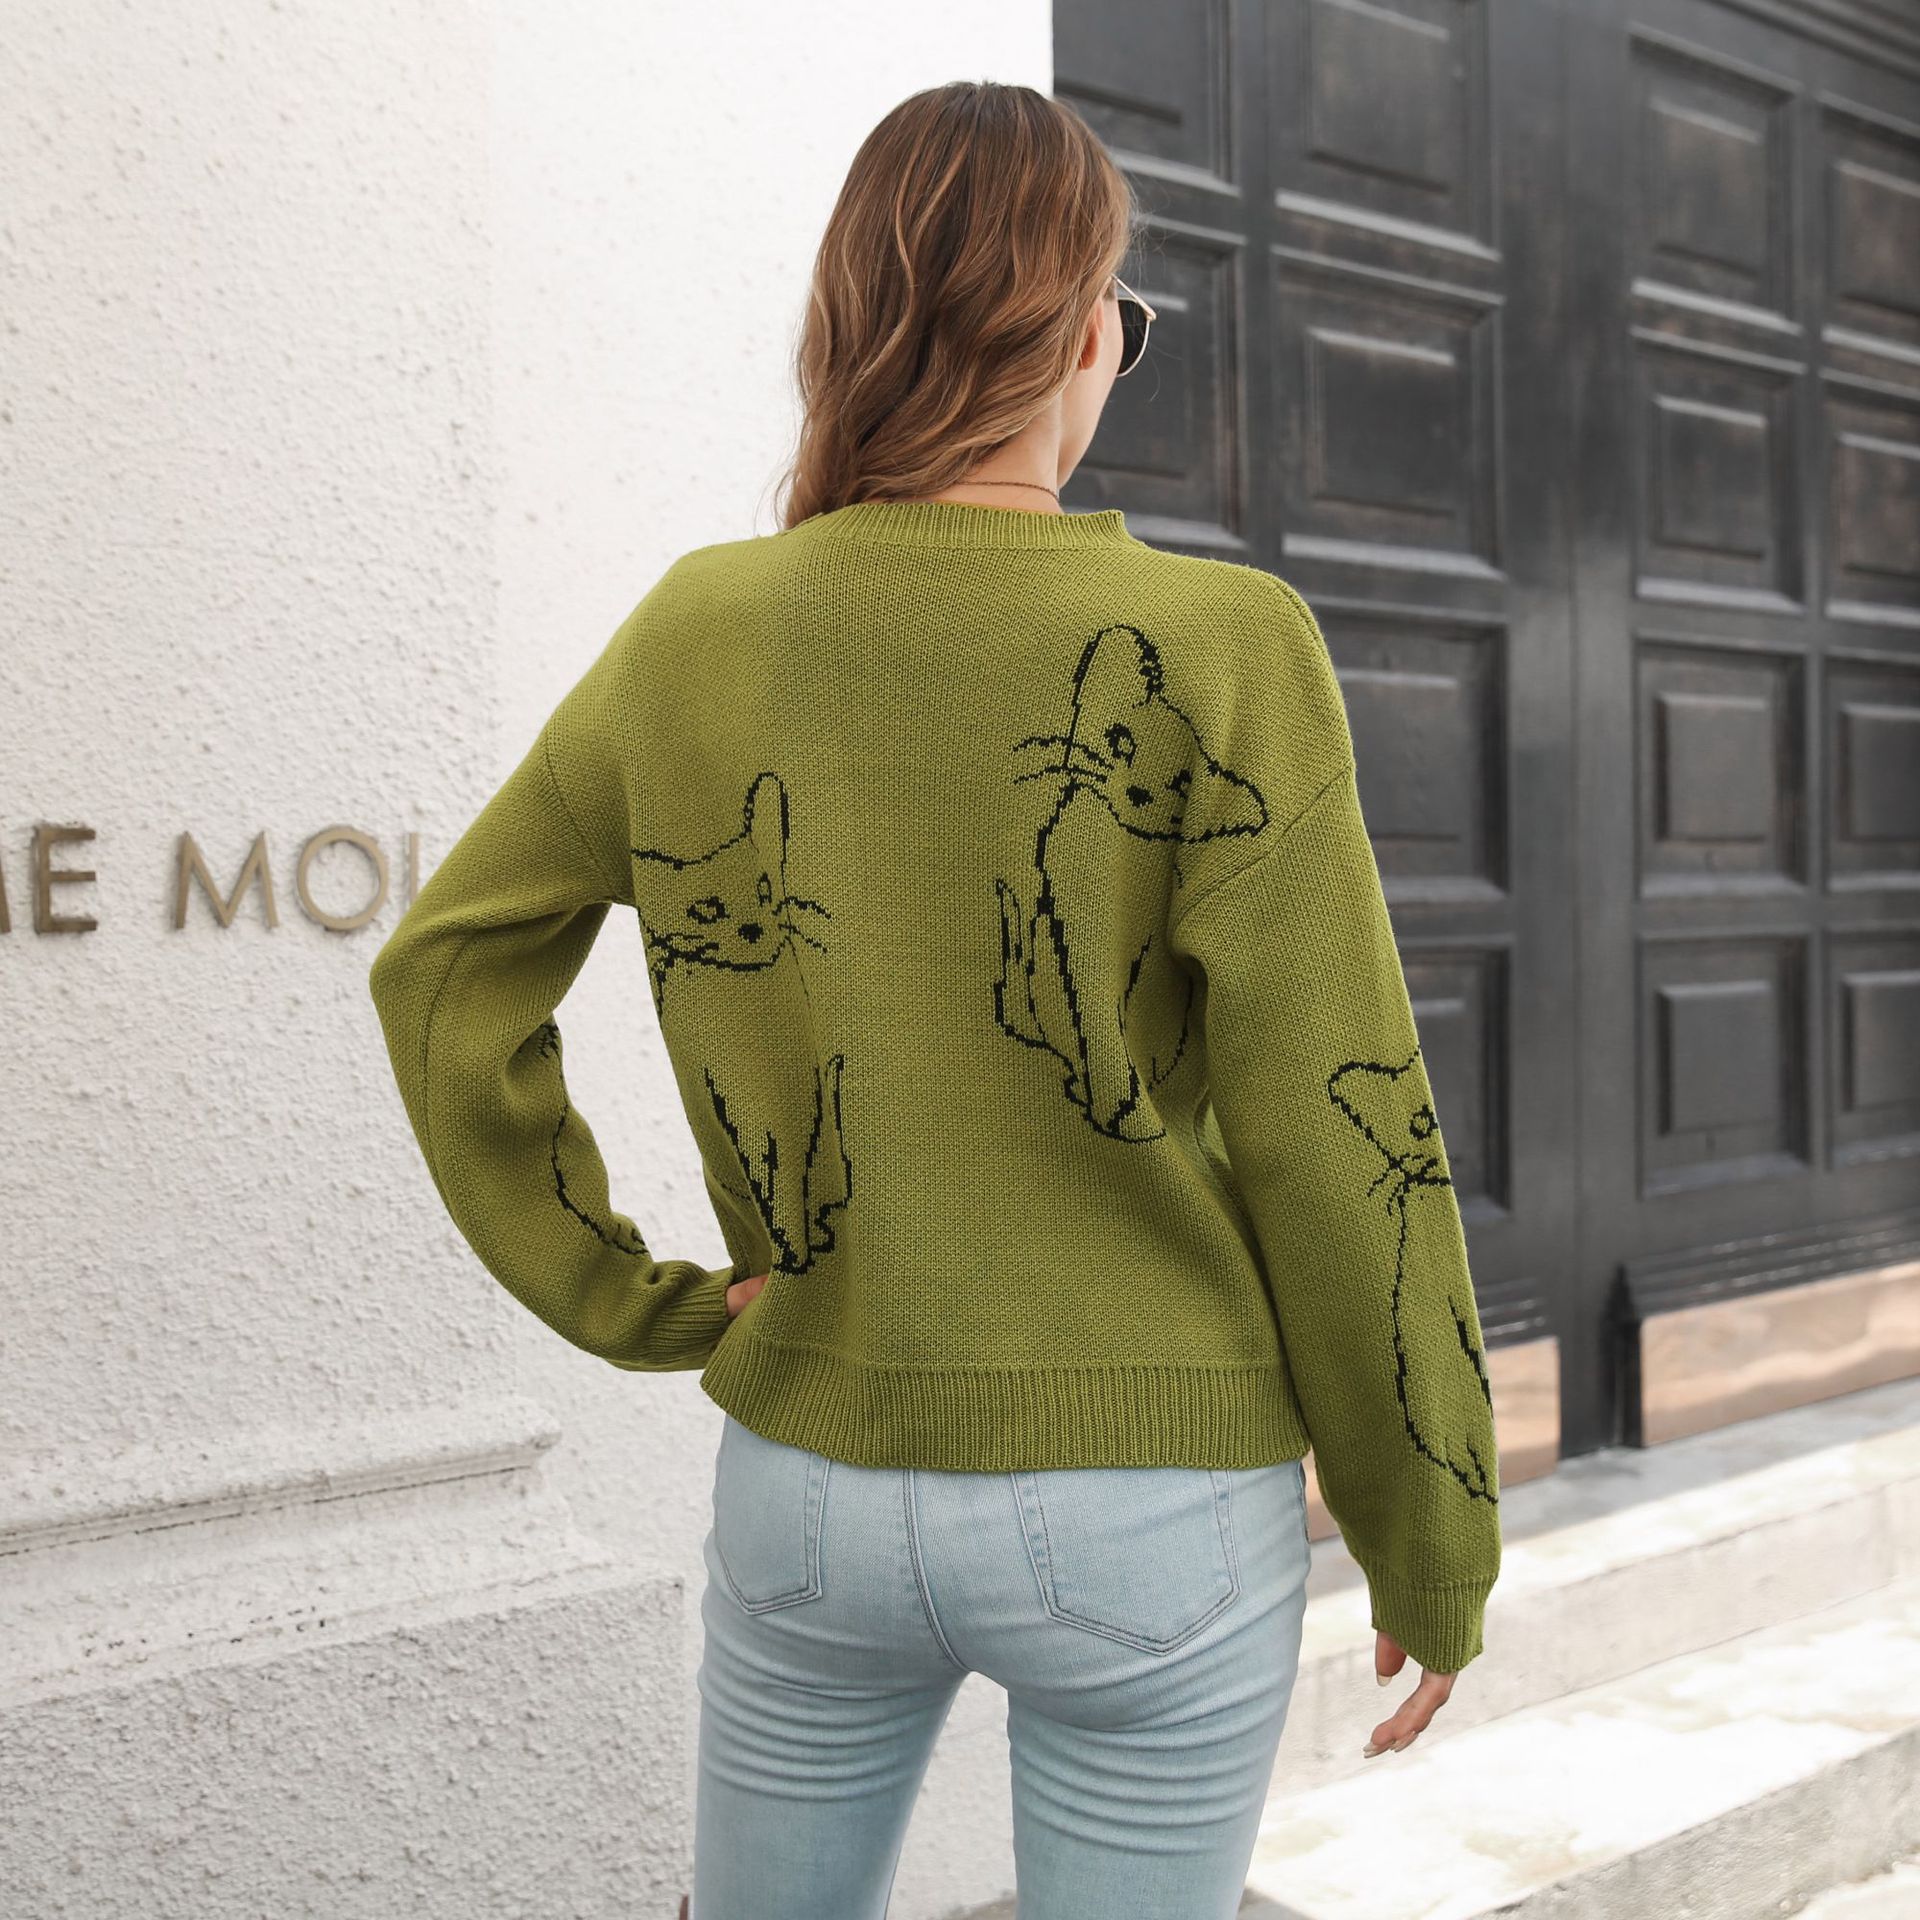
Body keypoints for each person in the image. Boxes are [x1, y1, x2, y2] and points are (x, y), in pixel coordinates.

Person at [367, 78, 1502, 1920]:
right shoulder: (1226, 646)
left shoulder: (697, 629)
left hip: (808, 1480)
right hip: (1153, 1496)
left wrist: (642, 1304)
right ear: (1081, 334)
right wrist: (1427, 1523)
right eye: (1122, 315)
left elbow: (443, 974)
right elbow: (1336, 1117)